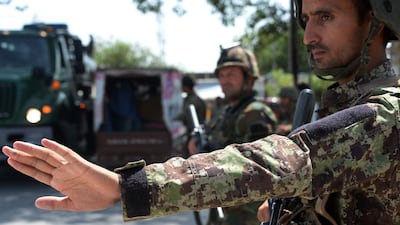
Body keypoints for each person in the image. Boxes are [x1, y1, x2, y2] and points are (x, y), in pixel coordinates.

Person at [3, 0, 400, 224]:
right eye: (307, 18)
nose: (310, 35)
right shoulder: (343, 104)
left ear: (376, 21)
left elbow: (282, 160)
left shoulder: (385, 114)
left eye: (326, 16)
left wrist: (125, 187)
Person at [188, 45, 277, 225]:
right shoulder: (226, 112)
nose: (224, 80)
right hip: (223, 208)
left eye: (231, 75)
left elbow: (256, 169)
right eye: (221, 75)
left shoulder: (255, 114)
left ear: (249, 78)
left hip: (247, 213)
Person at [176, 75, 207, 157]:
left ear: (185, 86)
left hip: (193, 133)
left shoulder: (191, 100)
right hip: (197, 131)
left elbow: (186, 115)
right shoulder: (197, 99)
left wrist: (175, 118)